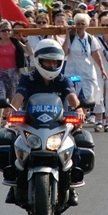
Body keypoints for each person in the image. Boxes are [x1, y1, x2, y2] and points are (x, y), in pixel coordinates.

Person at [7, 39, 86, 205]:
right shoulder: (28, 78)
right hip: (32, 124)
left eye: (54, 62)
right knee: (12, 141)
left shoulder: (64, 80)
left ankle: (71, 186)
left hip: (57, 125)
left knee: (77, 142)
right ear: (38, 60)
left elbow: (72, 97)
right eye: (47, 61)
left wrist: (78, 110)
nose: (51, 65)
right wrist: (11, 111)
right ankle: (14, 183)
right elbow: (18, 97)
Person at [63, 13, 107, 123]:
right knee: (74, 95)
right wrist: (67, 37)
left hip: (87, 73)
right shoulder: (71, 38)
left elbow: (96, 56)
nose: (80, 26)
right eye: (77, 24)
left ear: (86, 25)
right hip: (73, 73)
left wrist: (102, 69)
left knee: (87, 98)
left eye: (82, 24)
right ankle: (74, 119)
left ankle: (80, 120)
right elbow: (64, 52)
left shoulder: (91, 39)